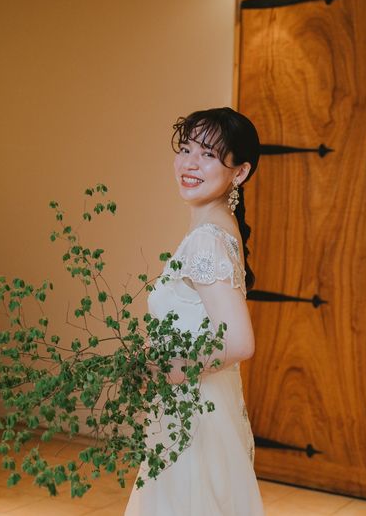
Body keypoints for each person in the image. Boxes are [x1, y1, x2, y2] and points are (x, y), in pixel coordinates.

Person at [124, 107, 265, 515]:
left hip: (195, 411)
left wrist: (172, 367)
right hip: (195, 407)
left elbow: (239, 341)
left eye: (208, 154)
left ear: (239, 172)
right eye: (186, 149)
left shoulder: (207, 239)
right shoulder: (217, 229)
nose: (189, 163)